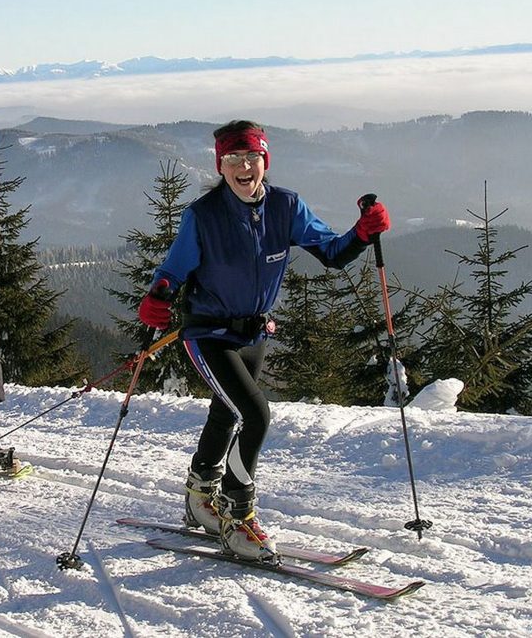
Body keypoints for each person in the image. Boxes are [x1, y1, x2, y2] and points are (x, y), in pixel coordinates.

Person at [137, 120, 390, 560]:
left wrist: (363, 234)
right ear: (221, 165)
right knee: (254, 415)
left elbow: (331, 253)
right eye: (233, 159)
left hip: (253, 332)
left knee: (226, 412)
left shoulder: (285, 207)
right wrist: (158, 296)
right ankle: (238, 515)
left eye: (252, 157)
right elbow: (172, 271)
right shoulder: (204, 215)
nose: (244, 166)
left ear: (264, 161)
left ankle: (200, 496)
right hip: (207, 333)